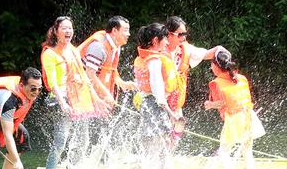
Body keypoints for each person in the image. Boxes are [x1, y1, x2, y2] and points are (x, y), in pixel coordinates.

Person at [40, 15, 100, 169]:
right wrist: (62, 103)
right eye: (64, 28)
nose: (68, 31)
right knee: (61, 140)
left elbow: (84, 76)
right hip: (61, 98)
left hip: (79, 98)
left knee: (84, 139)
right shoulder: (49, 54)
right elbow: (52, 82)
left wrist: (96, 99)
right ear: (56, 31)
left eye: (70, 28)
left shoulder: (73, 50)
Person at [203, 49, 266, 169]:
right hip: (248, 115)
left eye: (212, 64)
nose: (210, 67)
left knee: (224, 150)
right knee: (247, 151)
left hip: (234, 118)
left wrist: (210, 105)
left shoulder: (216, 83)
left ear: (218, 66)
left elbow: (223, 103)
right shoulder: (241, 78)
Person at [164, 16, 224, 135]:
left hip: (175, 100)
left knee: (177, 132)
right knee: (159, 133)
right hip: (158, 99)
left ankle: (167, 153)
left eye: (185, 33)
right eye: (180, 34)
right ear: (168, 34)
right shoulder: (158, 49)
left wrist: (219, 50)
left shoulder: (186, 49)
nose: (184, 37)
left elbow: (207, 54)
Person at [133, 23, 182, 152]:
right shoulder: (154, 61)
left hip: (145, 103)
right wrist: (172, 114)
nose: (167, 42)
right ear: (155, 41)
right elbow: (157, 93)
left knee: (149, 143)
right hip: (154, 105)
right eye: (165, 38)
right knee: (164, 143)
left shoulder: (142, 58)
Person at [77, 15, 139, 111]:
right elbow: (89, 74)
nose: (129, 34)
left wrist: (124, 84)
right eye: (125, 30)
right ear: (114, 31)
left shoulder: (115, 47)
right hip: (78, 91)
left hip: (91, 93)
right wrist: (106, 94)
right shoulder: (98, 47)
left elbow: (111, 71)